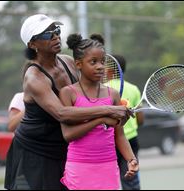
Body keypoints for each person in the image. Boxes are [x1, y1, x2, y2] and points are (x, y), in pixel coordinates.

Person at [4, 14, 132, 190]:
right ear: (32, 44)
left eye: (56, 30)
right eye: (47, 34)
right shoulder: (34, 77)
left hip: (64, 148)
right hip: (34, 152)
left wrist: (115, 106)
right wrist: (108, 110)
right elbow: (62, 113)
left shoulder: (68, 62)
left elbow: (86, 95)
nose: (56, 36)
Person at [59, 33, 139, 190]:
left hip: (108, 165)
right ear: (78, 64)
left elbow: (119, 135)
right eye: (93, 62)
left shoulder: (113, 94)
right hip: (79, 167)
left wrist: (131, 159)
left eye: (102, 62)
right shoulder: (68, 93)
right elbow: (68, 135)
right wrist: (101, 119)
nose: (100, 66)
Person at [111, 54, 144, 190]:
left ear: (110, 69)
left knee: (109, 181)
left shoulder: (101, 89)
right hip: (131, 140)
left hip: (110, 141)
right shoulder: (134, 89)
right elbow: (140, 119)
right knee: (131, 180)